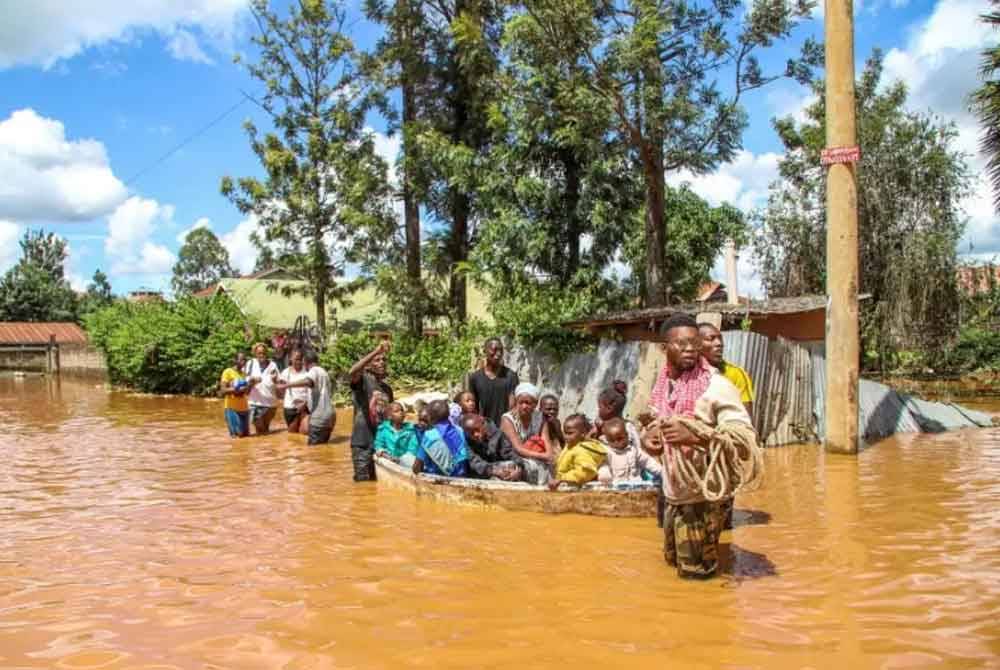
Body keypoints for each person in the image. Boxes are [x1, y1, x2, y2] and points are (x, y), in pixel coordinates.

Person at [643, 313, 759, 580]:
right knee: (673, 566)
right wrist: (649, 437)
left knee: (697, 579)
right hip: (674, 494)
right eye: (680, 344)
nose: (689, 350)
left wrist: (696, 436)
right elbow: (653, 419)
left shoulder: (716, 386)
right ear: (664, 349)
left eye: (694, 343)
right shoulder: (663, 383)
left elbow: (745, 440)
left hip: (702, 499)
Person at [348, 339, 394, 481]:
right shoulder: (363, 381)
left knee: (376, 484)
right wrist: (377, 350)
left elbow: (389, 418)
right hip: (362, 442)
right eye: (377, 360)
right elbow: (353, 371)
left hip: (379, 443)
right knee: (362, 484)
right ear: (368, 366)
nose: (381, 362)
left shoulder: (387, 389)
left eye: (383, 360)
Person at [500, 382, 554, 485]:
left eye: (528, 403)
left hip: (536, 456)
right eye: (521, 402)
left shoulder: (540, 418)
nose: (524, 406)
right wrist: (544, 456)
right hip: (514, 457)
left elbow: (546, 441)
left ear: (535, 404)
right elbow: (518, 449)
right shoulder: (507, 419)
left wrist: (549, 455)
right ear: (516, 402)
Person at [697, 322, 755, 417]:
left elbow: (746, 419)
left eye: (720, 338)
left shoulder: (736, 374)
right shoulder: (686, 374)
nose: (719, 343)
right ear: (696, 344)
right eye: (711, 339)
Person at [468, 338, 520, 429]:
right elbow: (473, 407)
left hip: (506, 429)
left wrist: (507, 427)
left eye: (501, 350)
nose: (498, 354)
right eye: (494, 350)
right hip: (485, 429)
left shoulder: (511, 376)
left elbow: (513, 406)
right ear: (485, 351)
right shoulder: (475, 378)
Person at [597, 417, 662, 485]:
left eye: (620, 438)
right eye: (612, 440)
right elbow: (603, 465)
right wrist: (604, 474)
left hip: (635, 485)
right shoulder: (608, 453)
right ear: (607, 440)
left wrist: (661, 471)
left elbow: (647, 461)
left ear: (627, 435)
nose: (616, 442)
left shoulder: (634, 450)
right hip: (616, 486)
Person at [413, 399, 470, 477]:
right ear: (448, 414)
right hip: (462, 474)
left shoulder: (429, 435)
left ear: (429, 417)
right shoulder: (459, 430)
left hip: (440, 477)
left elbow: (417, 467)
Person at [549, 414, 606, 489]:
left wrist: (562, 479)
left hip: (576, 487)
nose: (566, 437)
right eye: (565, 433)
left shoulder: (581, 450)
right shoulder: (570, 446)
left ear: (583, 433)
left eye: (570, 433)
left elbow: (585, 472)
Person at [462, 413, 524, 481]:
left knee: (526, 467)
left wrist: (519, 468)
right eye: (471, 433)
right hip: (481, 473)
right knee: (496, 479)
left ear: (483, 424)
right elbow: (475, 463)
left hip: (500, 468)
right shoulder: (466, 442)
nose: (476, 434)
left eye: (477, 430)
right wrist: (493, 471)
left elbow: (509, 452)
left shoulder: (497, 434)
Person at [245, 342, 280, 435]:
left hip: (270, 404)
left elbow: (278, 383)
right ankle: (262, 448)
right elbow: (246, 384)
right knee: (261, 430)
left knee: (265, 431)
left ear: (267, 353)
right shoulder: (250, 363)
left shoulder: (273, 365)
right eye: (259, 353)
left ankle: (266, 448)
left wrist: (275, 379)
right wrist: (253, 381)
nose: (262, 355)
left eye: (264, 353)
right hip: (254, 403)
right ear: (255, 354)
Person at [374, 402, 420, 468]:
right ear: (389, 416)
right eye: (396, 411)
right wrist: (388, 456)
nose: (401, 412)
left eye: (402, 410)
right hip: (388, 460)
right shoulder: (383, 429)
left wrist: (400, 460)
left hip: (405, 462)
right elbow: (378, 445)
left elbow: (412, 449)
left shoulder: (411, 430)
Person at [304, 350, 335, 445]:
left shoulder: (313, 370)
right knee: (323, 447)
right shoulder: (324, 372)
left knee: (313, 452)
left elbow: (308, 382)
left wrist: (287, 385)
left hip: (318, 418)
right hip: (329, 417)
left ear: (306, 362)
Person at [278, 349, 311, 434]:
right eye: (296, 359)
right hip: (290, 407)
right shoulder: (285, 372)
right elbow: (280, 390)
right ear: (291, 359)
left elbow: (311, 391)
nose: (298, 362)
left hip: (305, 407)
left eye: (300, 359)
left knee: (306, 431)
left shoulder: (307, 372)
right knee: (292, 434)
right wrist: (275, 381)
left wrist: (305, 403)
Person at [220, 351, 250, 438]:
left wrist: (251, 384)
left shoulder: (244, 374)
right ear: (235, 360)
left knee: (246, 436)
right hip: (231, 409)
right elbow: (223, 390)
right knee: (236, 437)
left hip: (244, 408)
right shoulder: (228, 372)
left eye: (244, 360)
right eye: (241, 360)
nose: (243, 362)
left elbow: (247, 393)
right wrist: (237, 389)